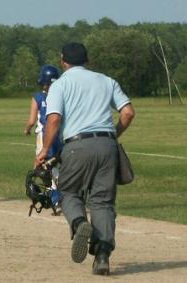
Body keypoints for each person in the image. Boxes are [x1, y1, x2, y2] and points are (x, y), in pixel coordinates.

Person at [35, 42, 135, 275]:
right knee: (102, 202)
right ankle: (101, 256)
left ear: (63, 61)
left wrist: (44, 151)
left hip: (76, 146)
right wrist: (112, 135)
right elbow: (128, 112)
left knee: (69, 192)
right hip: (107, 145)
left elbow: (54, 121)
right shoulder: (106, 80)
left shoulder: (60, 84)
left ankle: (80, 224)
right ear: (87, 60)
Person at [24, 65, 62, 206]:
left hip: (44, 135)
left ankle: (53, 196)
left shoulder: (38, 97)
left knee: (41, 164)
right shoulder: (61, 96)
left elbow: (32, 121)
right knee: (56, 162)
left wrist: (27, 130)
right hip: (59, 134)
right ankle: (61, 194)